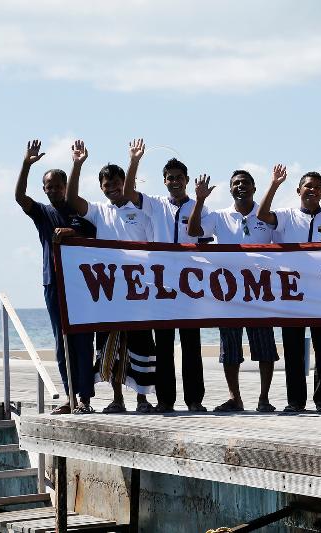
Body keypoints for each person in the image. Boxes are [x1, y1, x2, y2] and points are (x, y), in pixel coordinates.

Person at [65, 139, 157, 414]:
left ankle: (142, 399)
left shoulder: (141, 208)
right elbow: (71, 200)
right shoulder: (99, 211)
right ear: (102, 188)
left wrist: (133, 161)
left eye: (117, 183)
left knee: (141, 342)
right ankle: (117, 398)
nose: (113, 188)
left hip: (140, 286)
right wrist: (77, 164)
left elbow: (130, 191)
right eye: (107, 185)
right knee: (110, 345)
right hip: (108, 288)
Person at [122, 142, 207, 413]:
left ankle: (195, 400)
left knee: (191, 345)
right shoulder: (155, 205)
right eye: (169, 178)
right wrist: (134, 161)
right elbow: (127, 193)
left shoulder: (199, 206)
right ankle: (165, 400)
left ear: (187, 180)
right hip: (160, 286)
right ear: (164, 181)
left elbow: (205, 242)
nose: (174, 182)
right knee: (164, 346)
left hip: (190, 286)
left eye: (179, 178)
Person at [15, 140, 97, 415]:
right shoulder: (42, 212)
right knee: (62, 343)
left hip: (81, 285)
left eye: (57, 186)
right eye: (48, 187)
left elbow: (94, 237)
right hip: (53, 283)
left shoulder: (80, 211)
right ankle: (71, 397)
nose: (53, 191)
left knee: (83, 340)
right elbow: (19, 198)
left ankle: (85, 397)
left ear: (66, 187)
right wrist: (26, 164)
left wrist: (71, 233)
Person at [187, 170, 279, 412]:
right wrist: (200, 200)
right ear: (230, 190)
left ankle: (264, 399)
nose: (241, 186)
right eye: (236, 183)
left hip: (260, 290)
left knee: (265, 346)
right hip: (228, 291)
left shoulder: (267, 215)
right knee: (230, 347)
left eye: (245, 183)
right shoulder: (219, 216)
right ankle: (234, 398)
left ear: (254, 188)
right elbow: (193, 231)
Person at [257, 166, 321, 413]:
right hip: (290, 293)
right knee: (293, 349)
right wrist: (274, 184)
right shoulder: (286, 215)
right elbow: (262, 214)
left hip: (320, 293)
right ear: (299, 190)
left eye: (317, 187)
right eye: (308, 186)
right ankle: (295, 401)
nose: (312, 190)